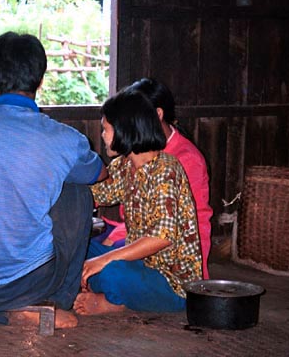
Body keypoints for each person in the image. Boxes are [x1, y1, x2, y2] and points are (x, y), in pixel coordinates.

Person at [0, 32, 106, 329]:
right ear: (39, 82)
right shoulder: (63, 137)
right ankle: (51, 302)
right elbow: (99, 173)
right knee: (77, 192)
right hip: (32, 282)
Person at [73, 88, 202, 316]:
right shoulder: (125, 166)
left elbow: (160, 238)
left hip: (170, 282)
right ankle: (105, 291)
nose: (102, 135)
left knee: (111, 272)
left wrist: (103, 260)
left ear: (125, 130)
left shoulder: (166, 170)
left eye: (106, 129)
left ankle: (114, 303)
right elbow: (94, 194)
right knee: (74, 250)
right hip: (140, 264)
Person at [92, 78, 213, 278]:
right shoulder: (132, 159)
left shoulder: (176, 163)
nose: (103, 135)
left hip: (173, 255)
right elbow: (102, 191)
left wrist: (114, 244)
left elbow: (163, 232)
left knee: (107, 266)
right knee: (81, 253)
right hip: (139, 237)